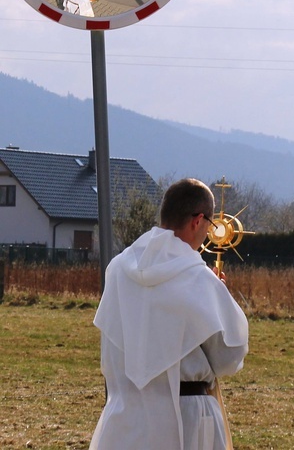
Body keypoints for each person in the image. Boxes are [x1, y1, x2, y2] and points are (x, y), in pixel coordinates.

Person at [89, 178, 249, 450]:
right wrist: (218, 300)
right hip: (187, 417)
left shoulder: (118, 268)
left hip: (126, 415)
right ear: (198, 221)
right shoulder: (197, 277)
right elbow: (228, 357)